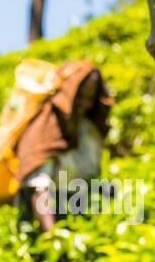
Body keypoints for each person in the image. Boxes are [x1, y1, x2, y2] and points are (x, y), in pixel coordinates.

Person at [14, 60, 114, 233]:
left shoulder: (86, 129)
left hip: (78, 211)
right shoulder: (44, 128)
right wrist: (53, 238)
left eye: (89, 99)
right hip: (46, 218)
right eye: (80, 97)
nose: (84, 104)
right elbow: (38, 190)